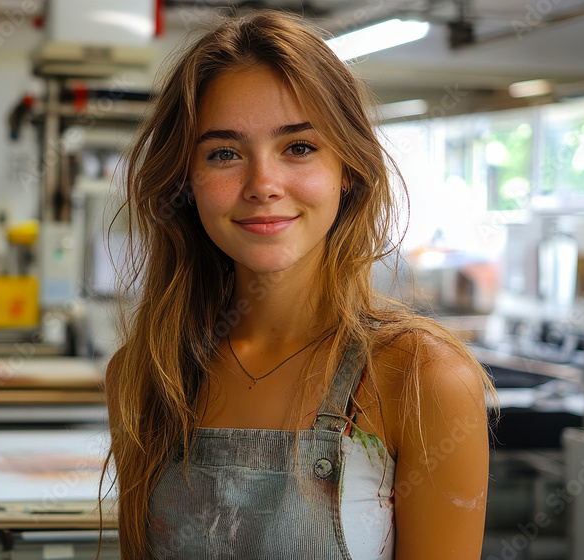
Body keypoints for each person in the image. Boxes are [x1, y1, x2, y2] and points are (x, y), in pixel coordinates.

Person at [103, 9, 495, 560]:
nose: (263, 184)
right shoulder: (147, 374)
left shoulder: (422, 378)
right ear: (186, 182)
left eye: (299, 147)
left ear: (349, 169)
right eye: (224, 153)